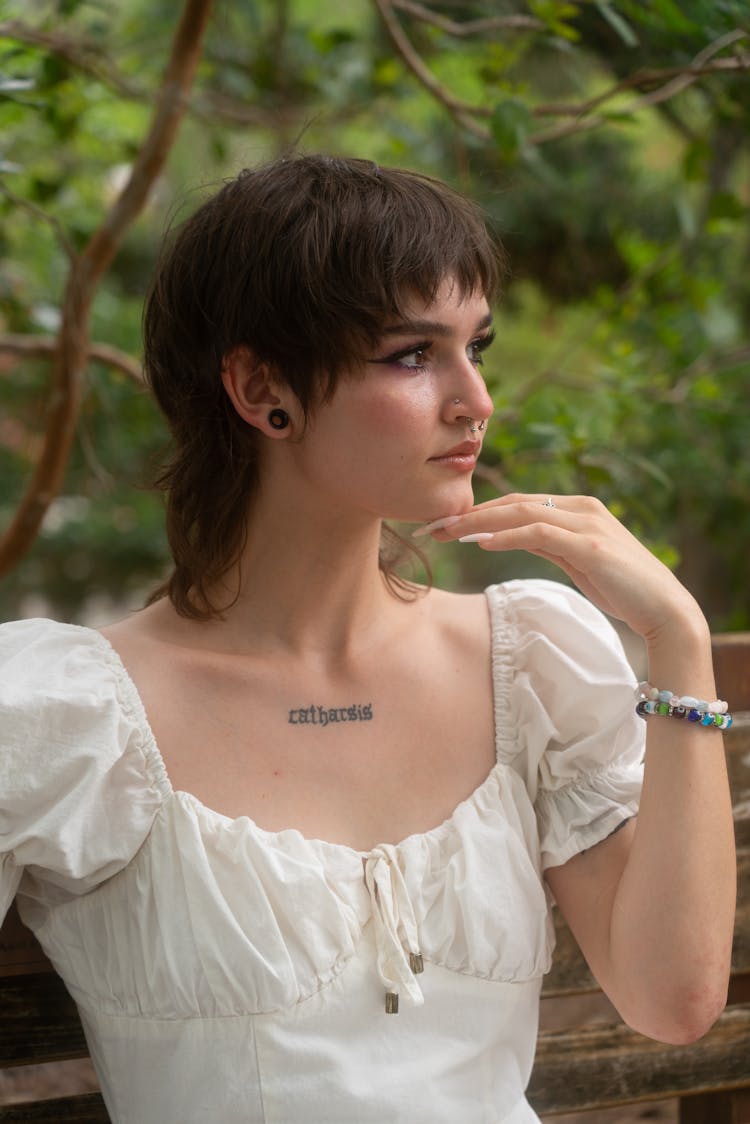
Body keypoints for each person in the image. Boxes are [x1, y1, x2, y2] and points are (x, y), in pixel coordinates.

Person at [0, 154, 736, 1124]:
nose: (475, 399)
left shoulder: (525, 661)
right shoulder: (65, 716)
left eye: (478, 347)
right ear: (265, 387)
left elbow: (672, 998)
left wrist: (678, 637)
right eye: (413, 354)